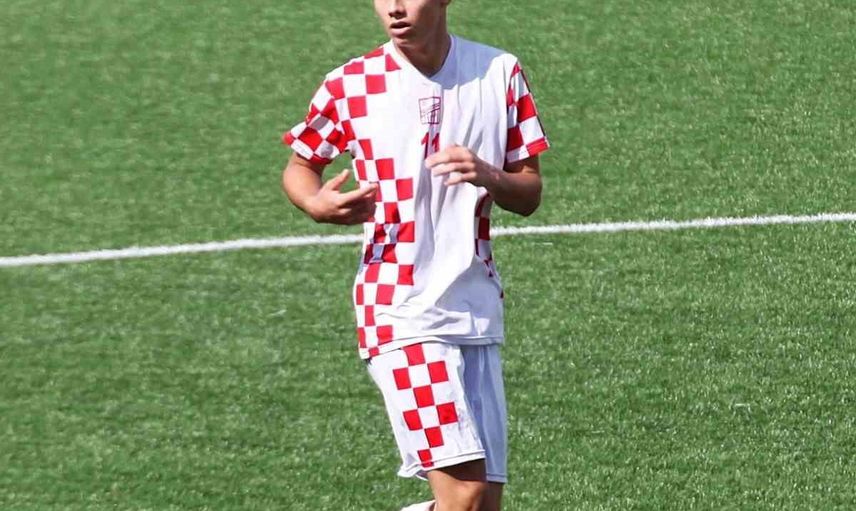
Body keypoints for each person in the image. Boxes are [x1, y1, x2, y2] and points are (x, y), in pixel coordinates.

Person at [281, 1, 548, 509]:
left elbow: (529, 191)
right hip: (398, 309)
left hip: (475, 308)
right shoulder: (350, 84)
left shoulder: (499, 72)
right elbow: (301, 165)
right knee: (464, 494)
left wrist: (489, 174)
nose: (396, 8)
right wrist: (316, 203)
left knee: (480, 506)